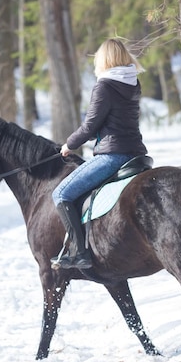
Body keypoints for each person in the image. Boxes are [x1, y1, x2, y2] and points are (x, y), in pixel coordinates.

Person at [51, 38, 148, 269]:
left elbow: (90, 126)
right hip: (136, 153)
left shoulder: (104, 86)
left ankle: (79, 252)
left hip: (113, 156)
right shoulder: (133, 83)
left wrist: (68, 145)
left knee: (61, 194)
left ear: (104, 59)